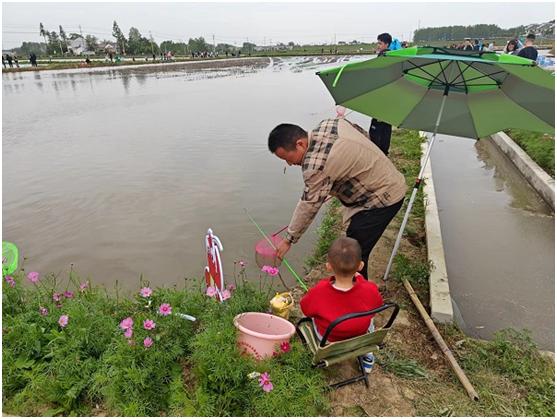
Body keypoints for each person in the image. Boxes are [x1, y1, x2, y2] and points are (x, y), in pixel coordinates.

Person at [268, 118, 407, 280]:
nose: (289, 164)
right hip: (388, 177)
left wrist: (288, 240)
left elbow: (309, 204)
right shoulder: (329, 124)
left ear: (300, 144)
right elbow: (362, 134)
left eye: (288, 157)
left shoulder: (315, 165)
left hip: (382, 198)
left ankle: (357, 296)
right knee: (353, 243)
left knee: (353, 254)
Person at [300, 237, 384, 342]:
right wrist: (361, 280)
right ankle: (367, 354)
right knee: (370, 321)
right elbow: (377, 306)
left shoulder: (319, 291)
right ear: (361, 266)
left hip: (328, 339)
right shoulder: (370, 288)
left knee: (312, 317)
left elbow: (306, 310)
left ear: (328, 267)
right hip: (360, 336)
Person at [369, 32, 395, 155]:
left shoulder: (385, 58)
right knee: (385, 125)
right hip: (387, 98)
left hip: (382, 98)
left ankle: (379, 153)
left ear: (387, 44)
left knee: (378, 128)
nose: (378, 45)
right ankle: (383, 152)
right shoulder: (388, 56)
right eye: (378, 43)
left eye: (380, 43)